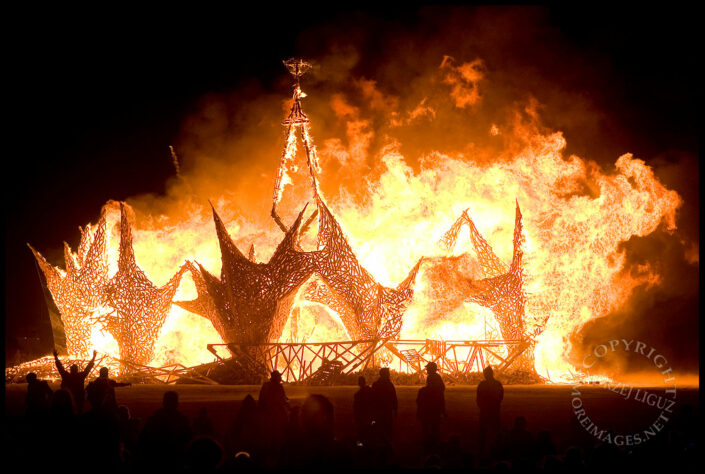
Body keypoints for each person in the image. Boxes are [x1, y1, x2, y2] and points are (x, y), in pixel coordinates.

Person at [138, 391, 193, 470]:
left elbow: (143, 439)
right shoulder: (182, 420)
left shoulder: (154, 418)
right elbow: (189, 440)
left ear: (163, 402)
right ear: (177, 403)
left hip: (156, 460)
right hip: (176, 460)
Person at [258, 370, 289, 466]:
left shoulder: (265, 386)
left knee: (267, 437)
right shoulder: (278, 387)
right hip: (275, 416)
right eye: (279, 377)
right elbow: (282, 399)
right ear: (276, 378)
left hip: (266, 415)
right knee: (276, 437)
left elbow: (261, 399)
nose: (281, 379)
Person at [53, 348, 97, 413]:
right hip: (79, 397)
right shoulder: (80, 376)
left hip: (68, 397)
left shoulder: (66, 375)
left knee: (68, 411)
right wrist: (93, 357)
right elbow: (88, 368)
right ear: (77, 370)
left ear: (70, 370)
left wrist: (56, 357)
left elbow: (60, 367)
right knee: (79, 411)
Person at [416, 362, 446, 452]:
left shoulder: (433, 378)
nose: (426, 370)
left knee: (429, 427)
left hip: (431, 409)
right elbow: (442, 391)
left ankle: (428, 445)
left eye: (428, 368)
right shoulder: (437, 378)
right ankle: (434, 444)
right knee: (434, 427)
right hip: (435, 408)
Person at [476, 365, 503, 455]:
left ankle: (483, 449)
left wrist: (482, 406)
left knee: (484, 431)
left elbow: (478, 397)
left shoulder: (482, 385)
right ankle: (496, 449)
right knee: (493, 430)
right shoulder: (497, 384)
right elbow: (500, 396)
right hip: (493, 410)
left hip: (486, 410)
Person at [372, 367, 398, 445]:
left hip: (379, 411)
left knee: (380, 428)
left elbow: (372, 398)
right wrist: (395, 409)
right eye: (388, 373)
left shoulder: (376, 384)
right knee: (387, 429)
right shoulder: (389, 385)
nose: (389, 375)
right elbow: (394, 397)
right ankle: (387, 444)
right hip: (386, 411)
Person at [353, 375, 374, 444]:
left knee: (361, 432)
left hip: (361, 417)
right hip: (369, 416)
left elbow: (356, 408)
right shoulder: (370, 391)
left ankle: (360, 446)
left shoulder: (357, 395)